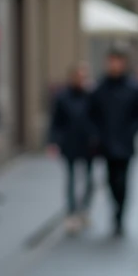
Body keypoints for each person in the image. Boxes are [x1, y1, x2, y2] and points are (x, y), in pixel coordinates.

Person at [88, 48, 138, 237]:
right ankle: (116, 209)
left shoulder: (133, 87)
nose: (114, 65)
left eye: (117, 61)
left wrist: (132, 131)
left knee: (123, 181)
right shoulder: (100, 87)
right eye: (111, 61)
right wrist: (97, 134)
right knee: (111, 180)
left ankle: (120, 216)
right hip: (106, 143)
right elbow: (91, 113)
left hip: (125, 142)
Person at [49, 63, 97, 231]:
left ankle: (84, 210)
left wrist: (96, 137)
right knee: (70, 179)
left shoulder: (91, 96)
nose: (80, 80)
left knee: (90, 180)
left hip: (89, 145)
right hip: (69, 143)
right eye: (78, 76)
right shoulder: (62, 97)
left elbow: (99, 118)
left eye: (83, 77)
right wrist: (54, 141)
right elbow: (56, 122)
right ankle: (71, 212)